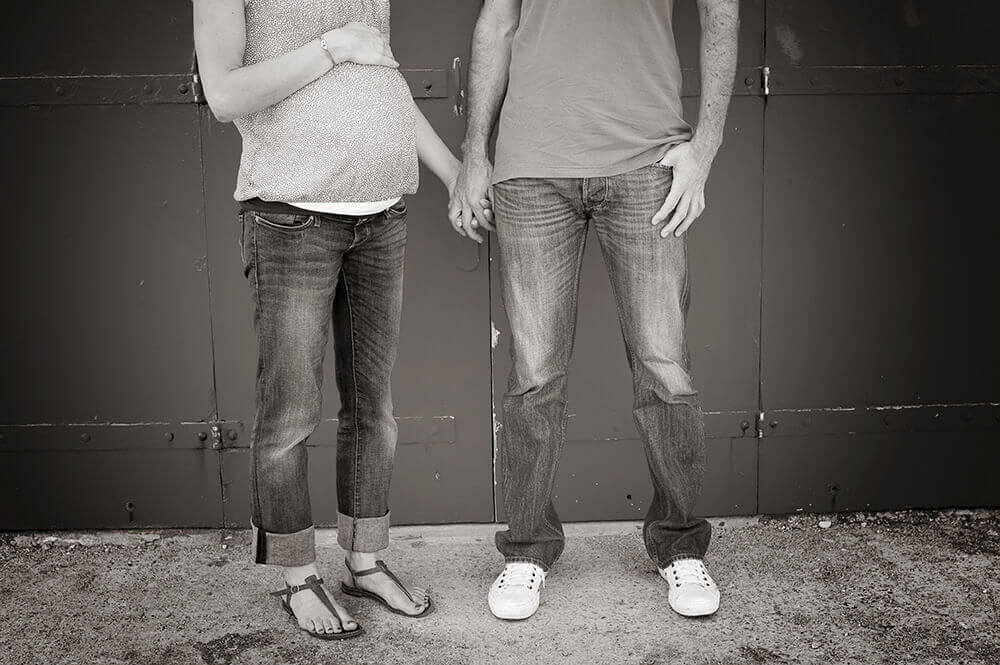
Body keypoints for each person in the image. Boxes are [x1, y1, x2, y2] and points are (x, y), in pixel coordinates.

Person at [194, 0, 485, 639]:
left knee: (372, 409)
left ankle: (364, 560)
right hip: (290, 218)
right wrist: (332, 45)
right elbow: (223, 94)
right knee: (292, 413)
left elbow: (384, 86)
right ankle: (298, 576)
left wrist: (454, 172)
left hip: (382, 220)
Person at [451, 0, 740, 620]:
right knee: (533, 377)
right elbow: (496, 24)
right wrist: (475, 152)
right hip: (530, 169)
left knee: (665, 368)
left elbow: (721, 13)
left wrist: (705, 147)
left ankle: (680, 544)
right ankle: (525, 551)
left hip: (647, 164)